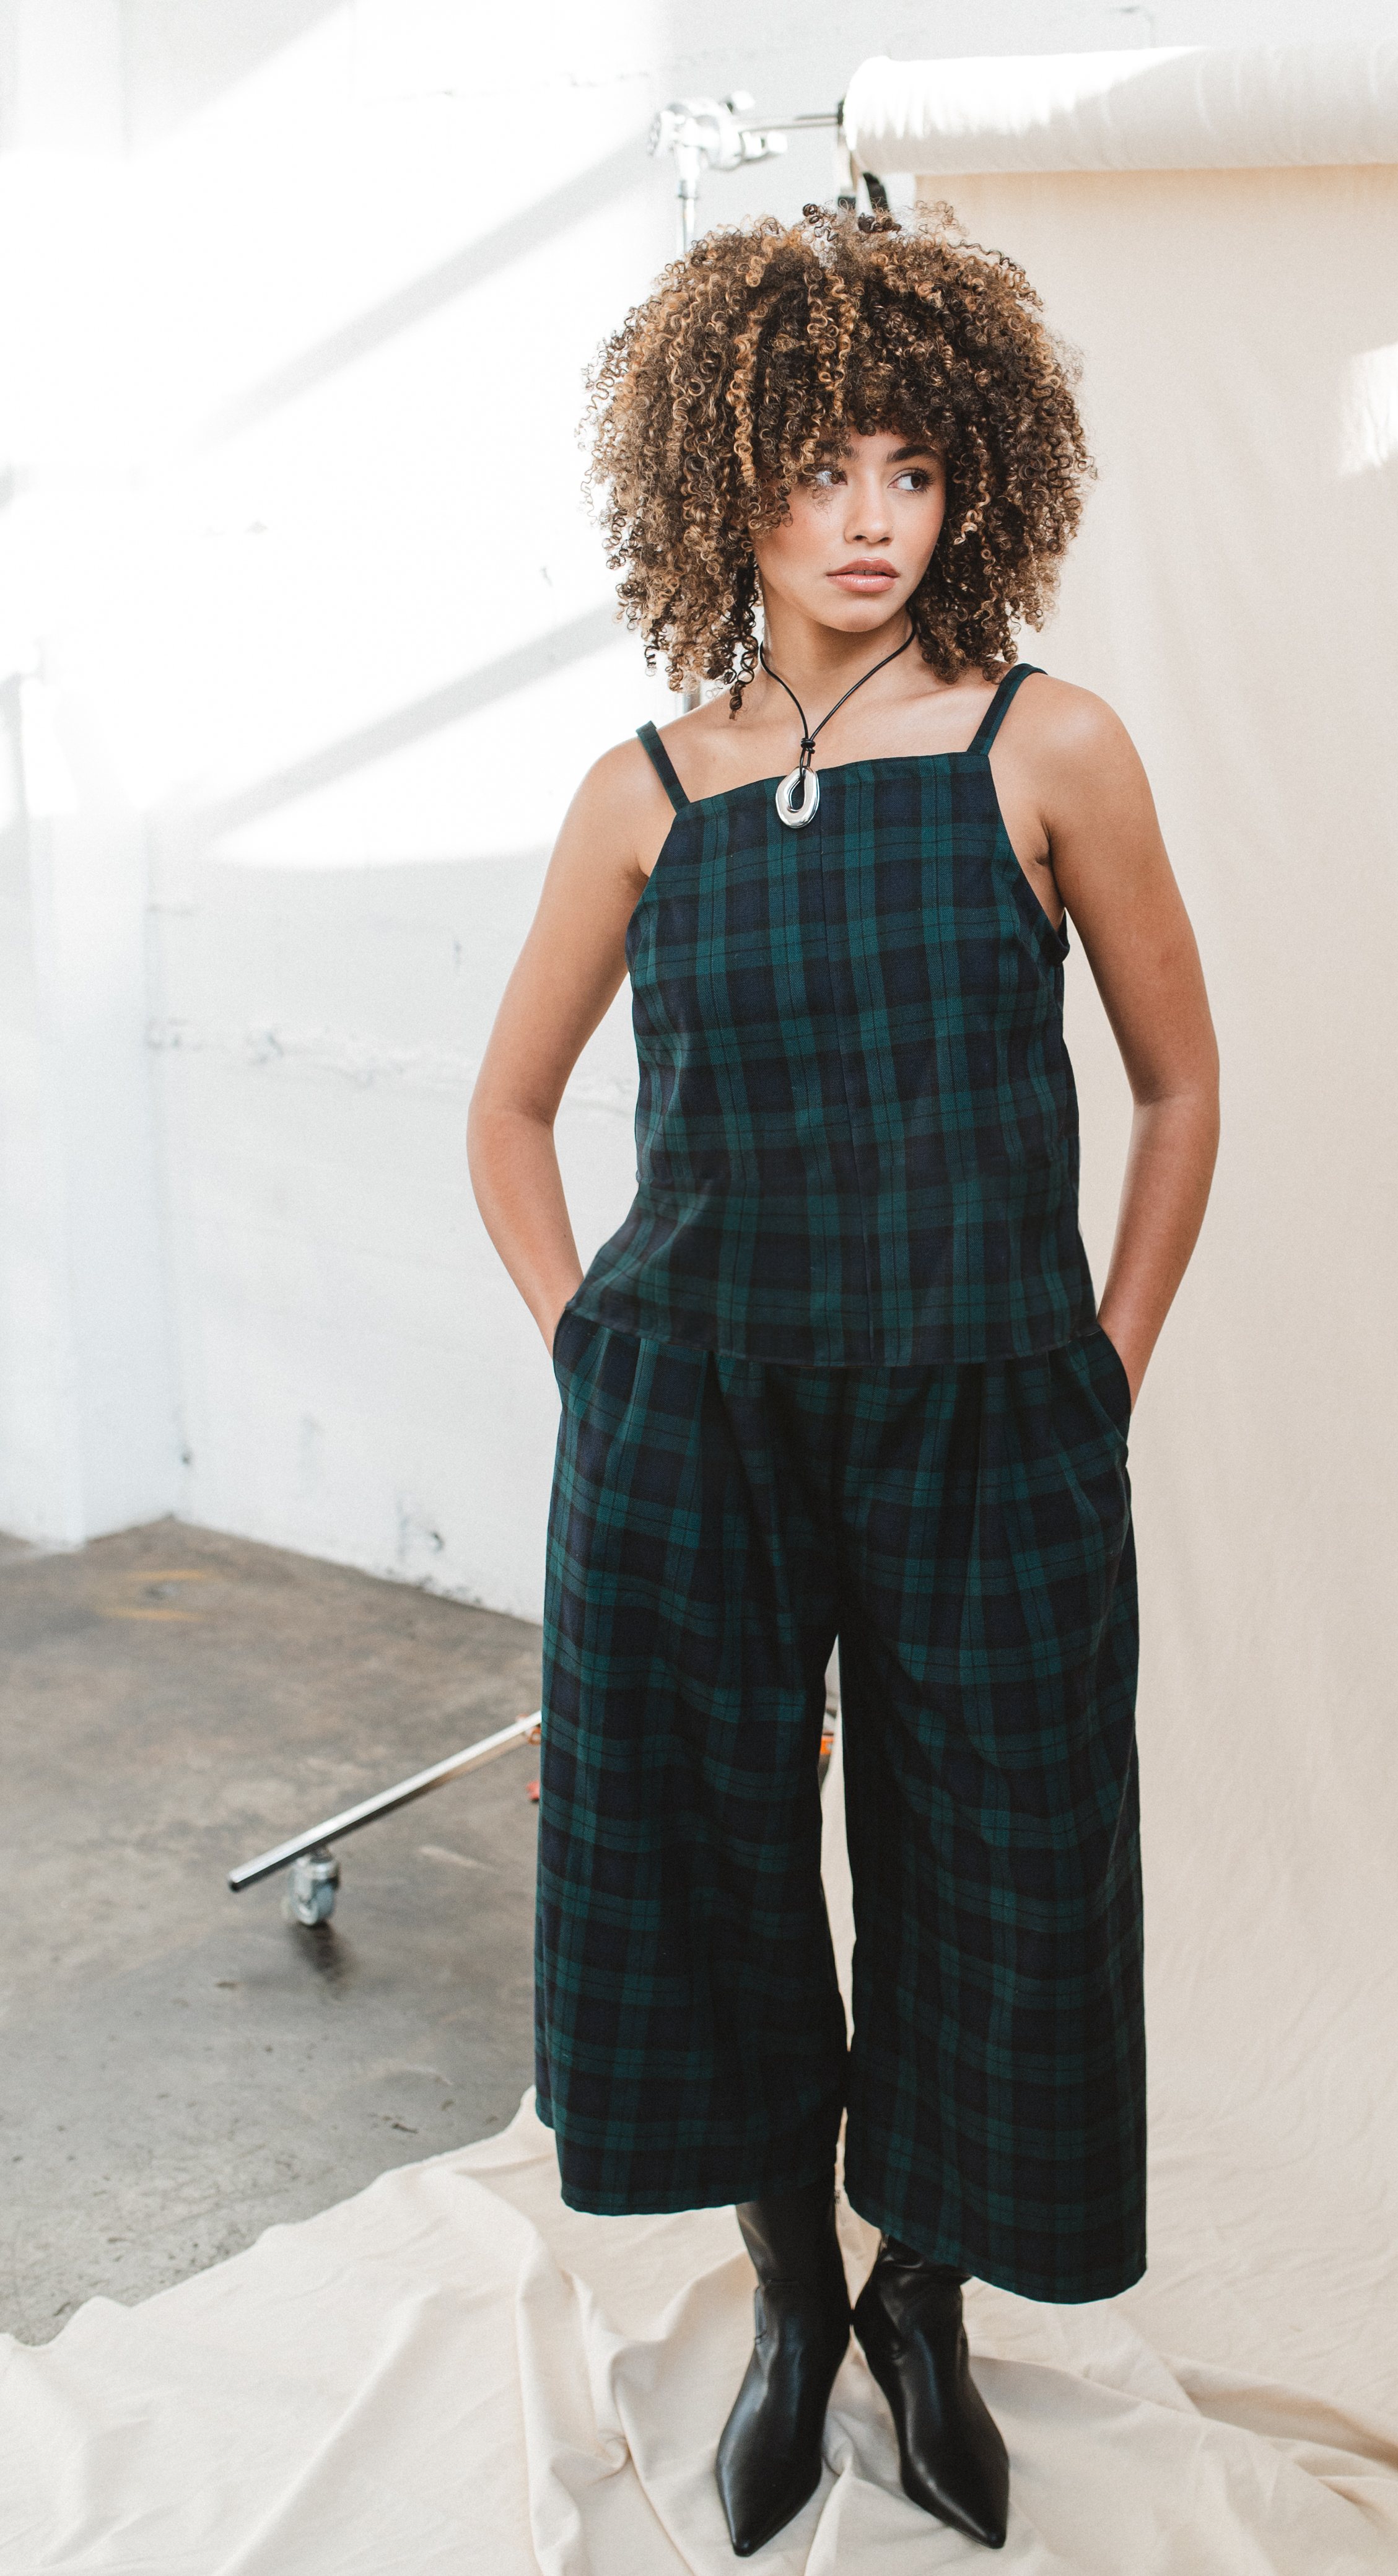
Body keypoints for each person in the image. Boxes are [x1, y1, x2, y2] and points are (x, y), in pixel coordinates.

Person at [467, 205, 1218, 2557]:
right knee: (696, 1864)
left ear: (971, 477)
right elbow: (505, 1111)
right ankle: (793, 2298)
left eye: (911, 466)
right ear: (727, 489)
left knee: (1002, 1863)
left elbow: (1184, 1089)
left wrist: (1094, 1372)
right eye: (818, 467)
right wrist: (595, 1350)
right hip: (697, 1422)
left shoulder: (1044, 746)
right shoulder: (645, 792)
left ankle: (929, 2301)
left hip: (987, 1417)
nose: (872, 517)